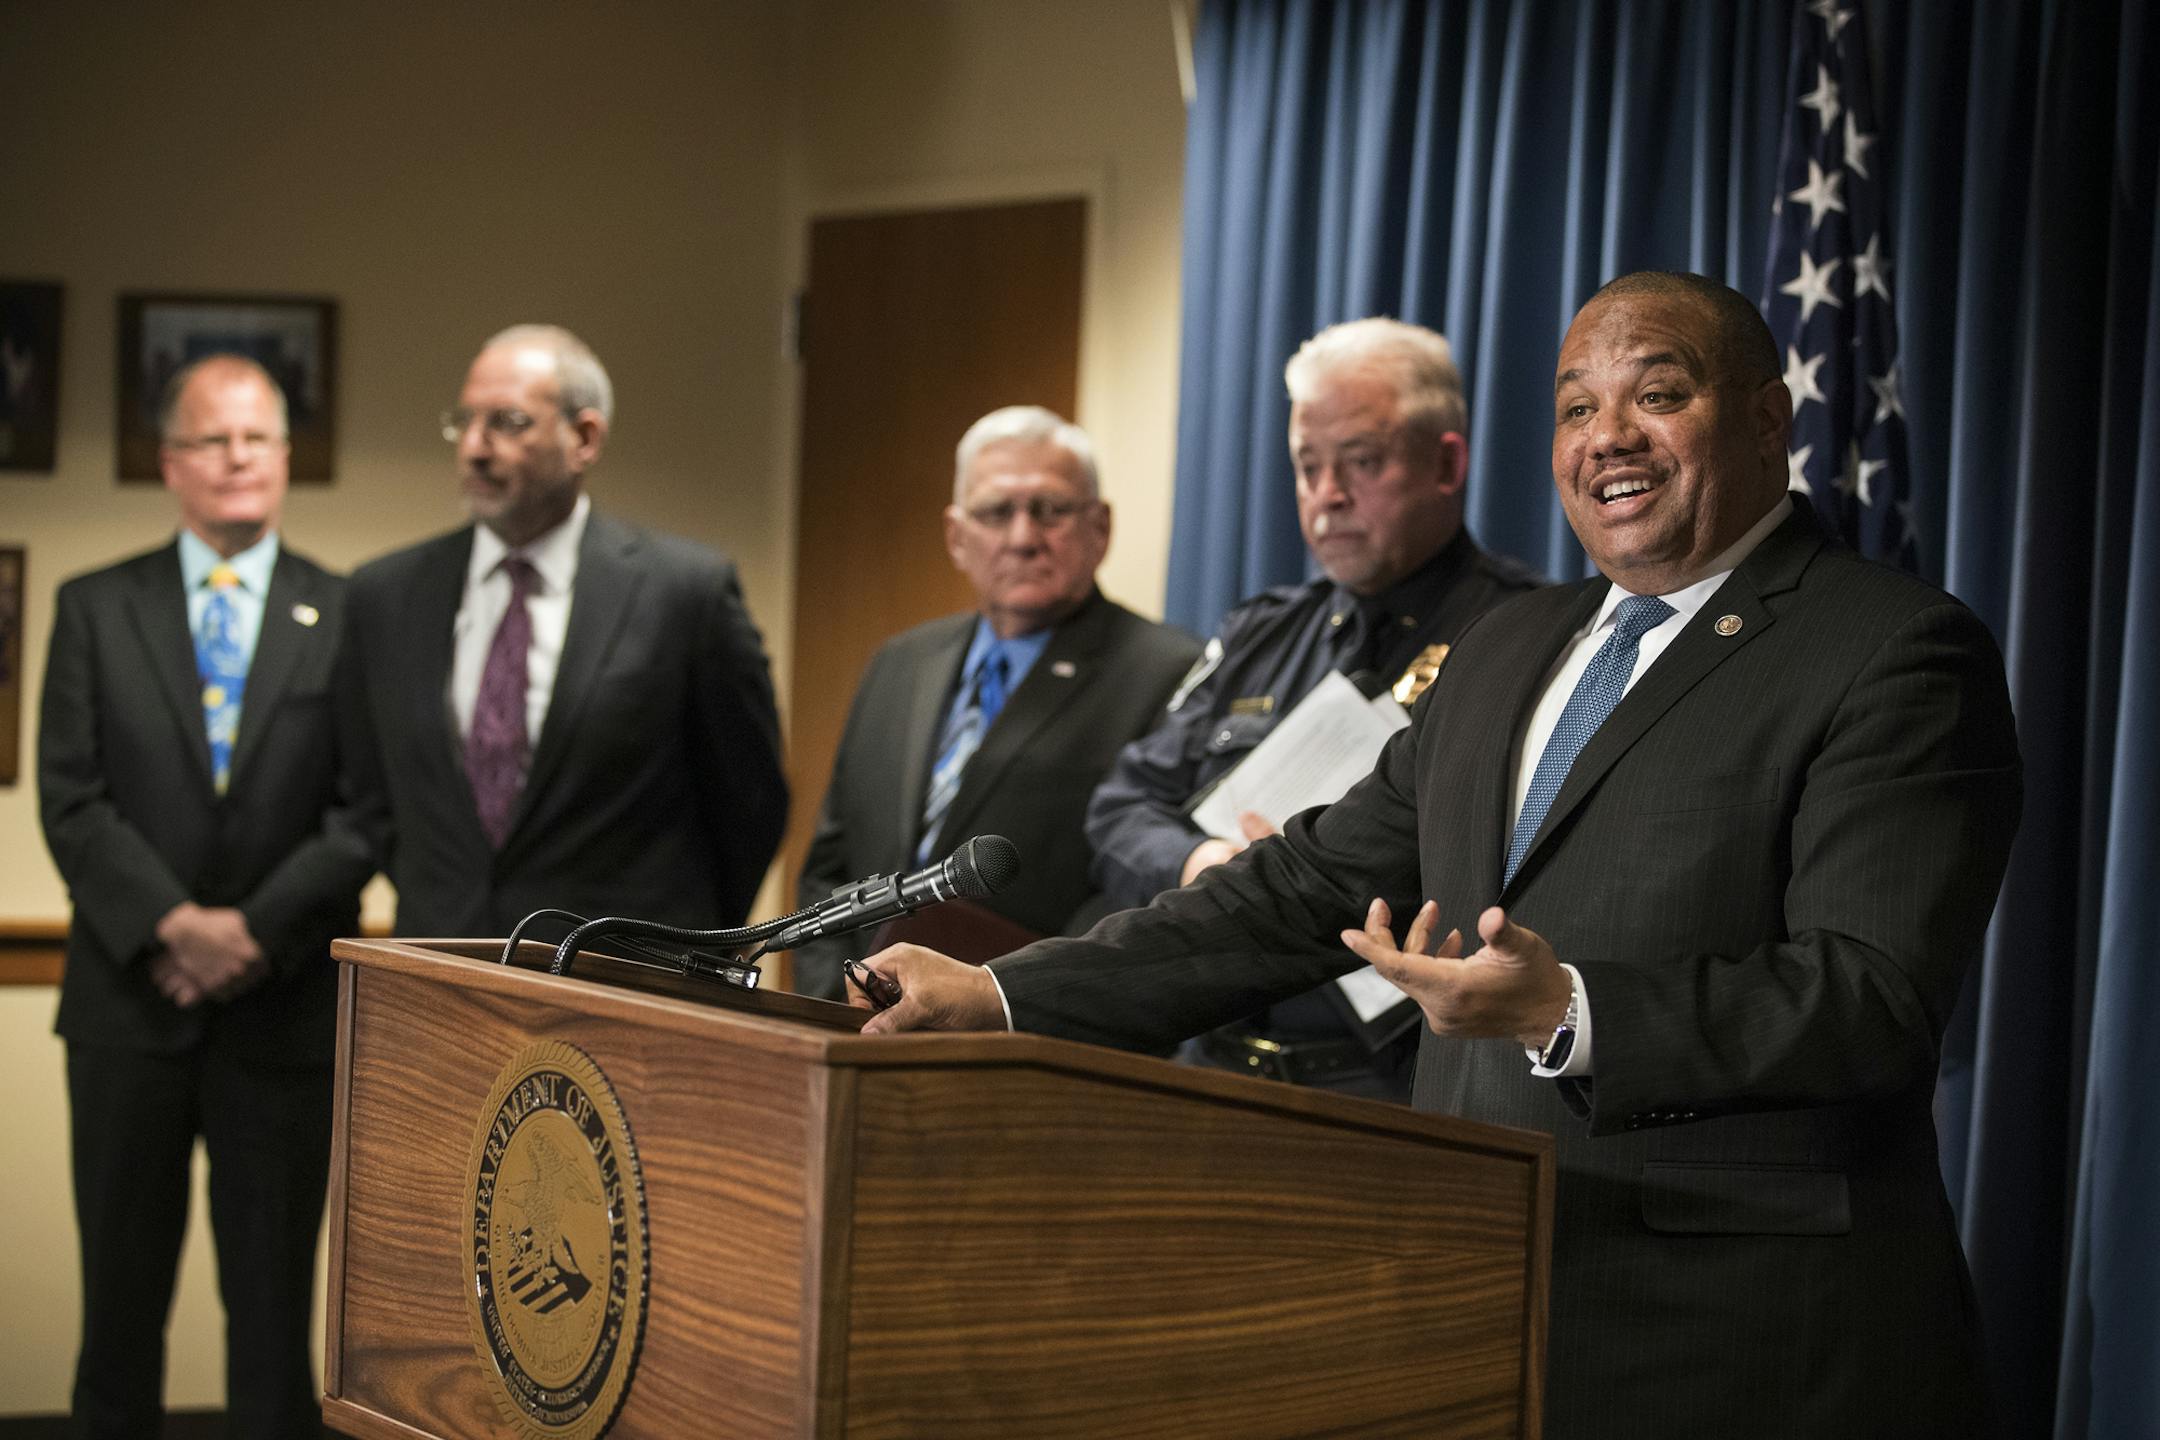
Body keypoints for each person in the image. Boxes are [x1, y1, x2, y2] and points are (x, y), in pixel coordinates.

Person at [853, 273, 2022, 1437]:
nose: (1609, 436)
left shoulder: (1891, 650)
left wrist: (1570, 1009)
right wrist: (1004, 994)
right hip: (1474, 1302)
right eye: (1576, 408)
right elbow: (1300, 892)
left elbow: (1872, 1000)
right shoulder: (1509, 647)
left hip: (1745, 1343)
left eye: (1659, 395)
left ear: (1768, 419)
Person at [39, 355, 373, 1437]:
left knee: (274, 1328)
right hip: (126, 1014)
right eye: (212, 439)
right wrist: (173, 928)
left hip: (282, 1018)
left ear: (285, 457)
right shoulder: (94, 607)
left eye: (258, 437)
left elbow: (366, 812)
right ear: (170, 462)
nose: (238, 457)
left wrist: (252, 934)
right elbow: (72, 800)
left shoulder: (350, 613)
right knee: (118, 1316)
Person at [1085, 319, 1541, 1100]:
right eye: (1307, 466)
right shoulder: (1262, 633)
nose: (1328, 494)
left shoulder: (1523, 635)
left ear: (1446, 463)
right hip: (1212, 1067)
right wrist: (1204, 864)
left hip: (1395, 1084)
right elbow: (1122, 808)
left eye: (1361, 461)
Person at [338, 325, 786, 935]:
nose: (474, 447)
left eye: (508, 422)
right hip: (443, 956)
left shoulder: (685, 593)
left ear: (584, 438)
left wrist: (681, 947)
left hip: (619, 967)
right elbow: (370, 793)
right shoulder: (385, 595)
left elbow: (749, 800)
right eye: (465, 421)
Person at [793, 406, 1200, 999]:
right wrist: (833, 1000)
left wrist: (1013, 1001)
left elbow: (1142, 892)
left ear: (1100, 528)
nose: (1023, 538)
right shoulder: (899, 663)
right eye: (996, 512)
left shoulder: (1169, 671)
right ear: (957, 536)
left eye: (1051, 509)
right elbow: (831, 864)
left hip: (1032, 1024)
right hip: (856, 1018)